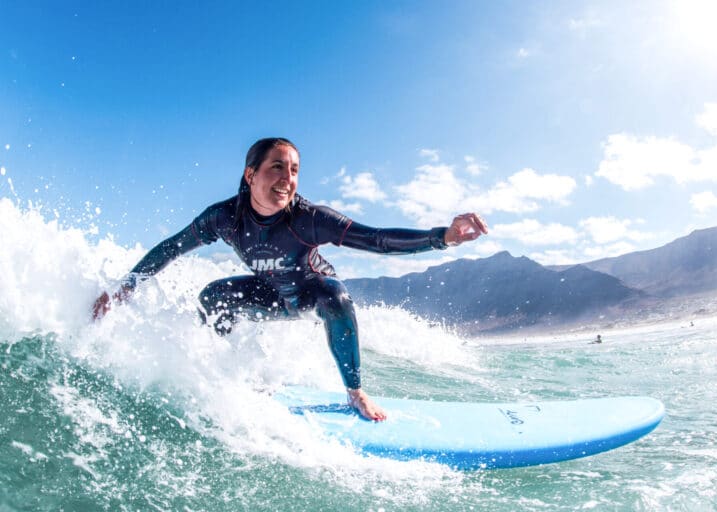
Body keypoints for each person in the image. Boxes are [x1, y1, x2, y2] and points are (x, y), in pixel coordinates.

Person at [92, 137, 488, 421]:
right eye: (277, 166)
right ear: (251, 174)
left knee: (335, 296)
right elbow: (172, 247)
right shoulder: (224, 218)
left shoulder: (309, 218)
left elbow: (377, 239)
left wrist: (443, 237)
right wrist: (124, 288)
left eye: (294, 169)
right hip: (270, 294)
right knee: (212, 296)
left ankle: (356, 392)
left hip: (310, 291)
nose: (287, 177)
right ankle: (221, 373)